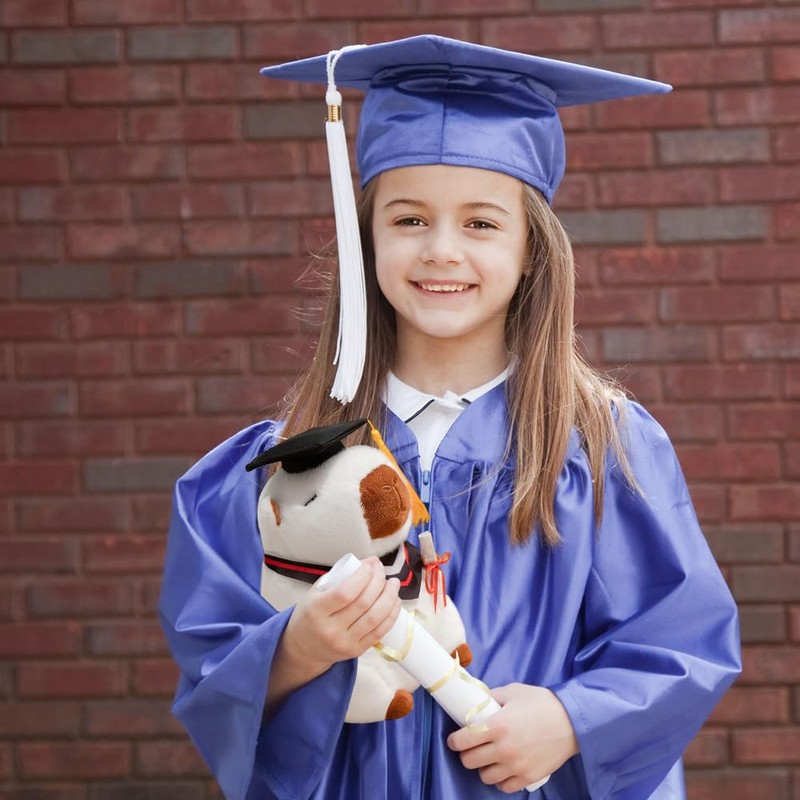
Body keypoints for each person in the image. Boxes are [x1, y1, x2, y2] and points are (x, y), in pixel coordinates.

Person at [159, 35, 741, 800]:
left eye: (480, 223)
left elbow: (679, 643)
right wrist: (299, 647)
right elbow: (213, 665)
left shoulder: (602, 449)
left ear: (533, 247)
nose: (441, 251)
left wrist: (571, 720)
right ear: (367, 238)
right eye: (407, 219)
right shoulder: (280, 468)